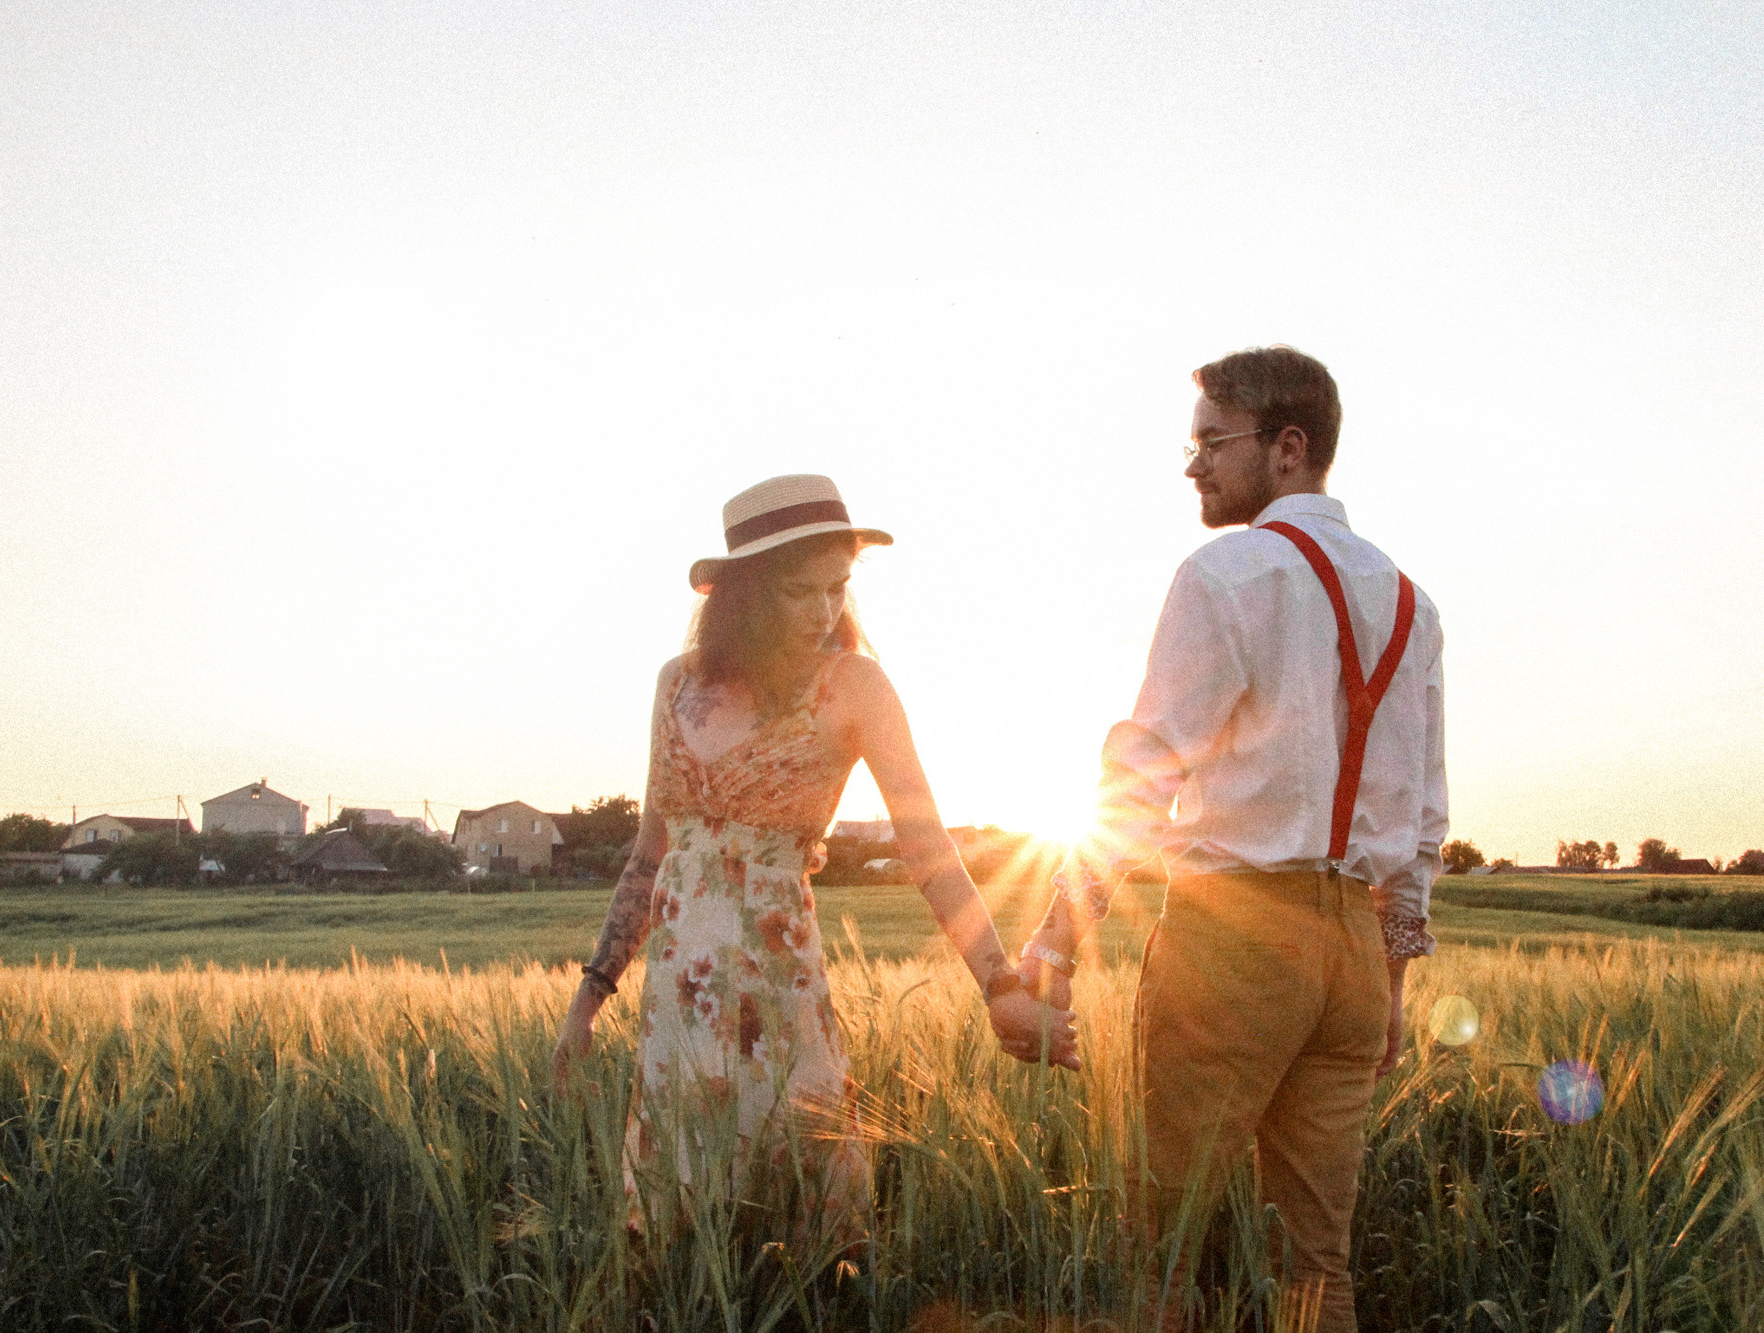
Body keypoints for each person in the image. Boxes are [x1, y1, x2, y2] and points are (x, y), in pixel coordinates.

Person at [1018, 347, 1445, 1332]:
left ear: (1288, 447)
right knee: (1318, 1264)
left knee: (1163, 1246)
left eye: (1213, 442)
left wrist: (1056, 942)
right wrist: (1387, 984)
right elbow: (1421, 821)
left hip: (1233, 945)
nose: (1193, 465)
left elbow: (1144, 776)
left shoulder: (1226, 572)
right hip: (1351, 953)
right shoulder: (1412, 604)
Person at [552, 473, 1079, 1240]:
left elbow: (927, 848)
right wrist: (586, 1003)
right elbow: (647, 859)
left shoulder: (855, 687)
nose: (824, 611)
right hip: (677, 1011)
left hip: (778, 1002)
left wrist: (999, 983)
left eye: (837, 587)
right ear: (740, 594)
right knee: (678, 1231)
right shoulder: (675, 684)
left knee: (798, 1221)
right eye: (799, 591)